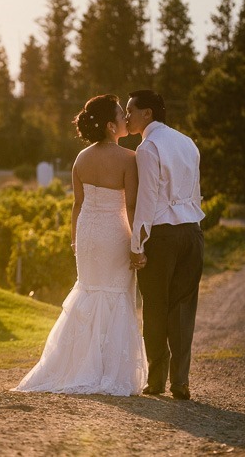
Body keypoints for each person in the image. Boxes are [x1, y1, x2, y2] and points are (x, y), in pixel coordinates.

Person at [14, 95, 148, 396]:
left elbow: (77, 204)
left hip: (87, 231)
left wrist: (75, 239)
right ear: (112, 125)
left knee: (88, 289)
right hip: (114, 231)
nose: (125, 119)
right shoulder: (129, 159)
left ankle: (76, 365)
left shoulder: (81, 158)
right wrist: (137, 242)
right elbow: (131, 204)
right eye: (120, 114)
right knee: (114, 293)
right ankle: (107, 370)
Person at [125, 89, 204, 401]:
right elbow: (195, 191)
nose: (126, 116)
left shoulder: (148, 147)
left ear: (148, 114)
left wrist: (137, 243)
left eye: (131, 110)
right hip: (193, 231)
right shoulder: (187, 142)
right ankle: (180, 382)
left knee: (156, 306)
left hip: (163, 235)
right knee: (183, 308)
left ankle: (157, 379)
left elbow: (147, 200)